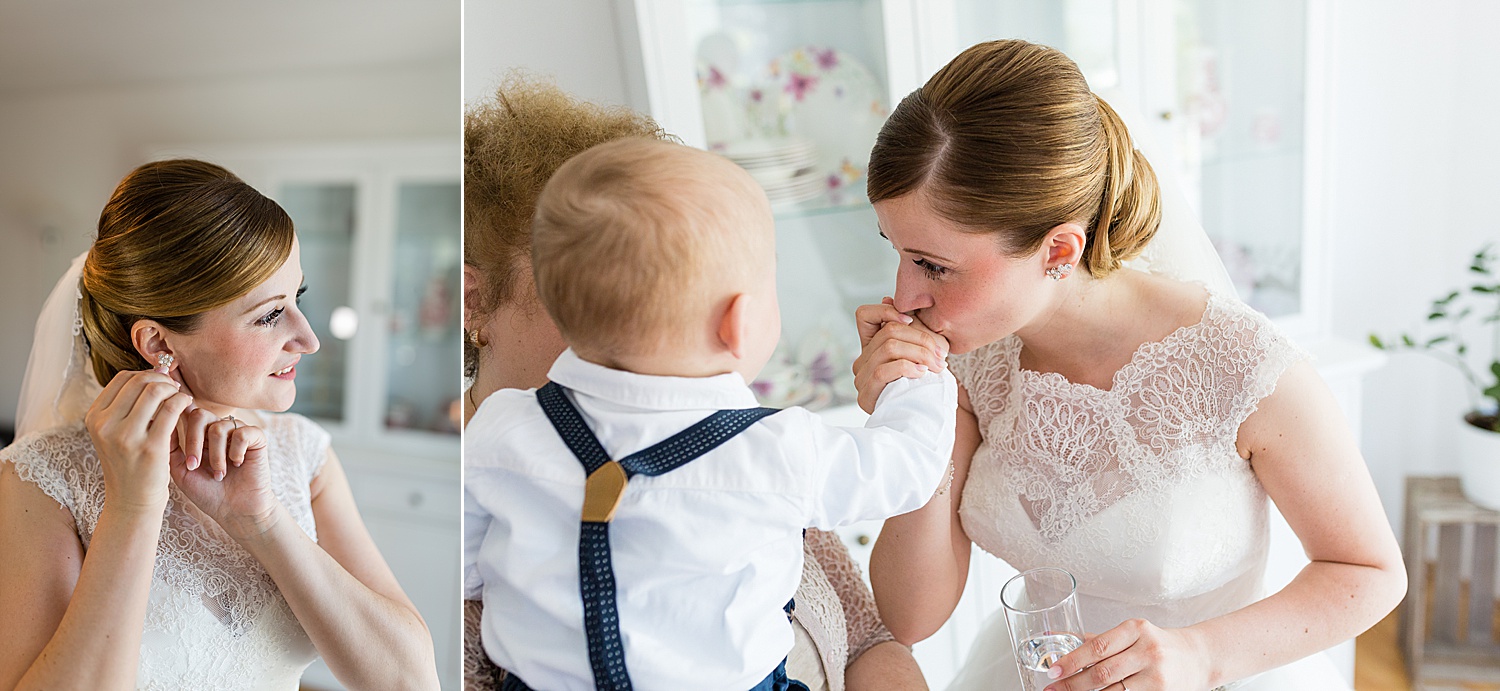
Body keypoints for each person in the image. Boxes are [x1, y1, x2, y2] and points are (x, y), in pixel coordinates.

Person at [861, 40, 1406, 691]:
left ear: (1059, 248)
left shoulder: (1244, 365)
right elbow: (911, 614)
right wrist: (910, 413)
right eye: (896, 250)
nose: (903, 297)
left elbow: (1371, 572)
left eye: (933, 264)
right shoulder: (969, 363)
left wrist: (1200, 655)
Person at [460, 74, 935, 691]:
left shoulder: (758, 449)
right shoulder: (769, 455)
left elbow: (869, 638)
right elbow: (905, 463)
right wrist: (921, 379)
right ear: (475, 304)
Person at [0, 160, 440, 690]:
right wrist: (132, 508)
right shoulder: (41, 478)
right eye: (268, 315)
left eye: (296, 299)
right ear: (159, 344)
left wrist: (262, 522)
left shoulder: (303, 453)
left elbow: (410, 681)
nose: (308, 338)